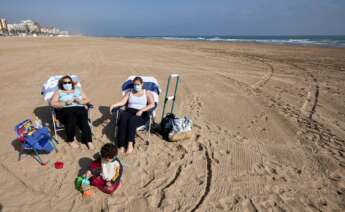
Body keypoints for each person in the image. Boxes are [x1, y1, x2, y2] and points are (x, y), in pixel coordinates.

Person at [110, 76, 155, 154]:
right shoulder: (130, 92)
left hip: (141, 113)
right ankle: (121, 145)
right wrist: (113, 105)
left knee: (132, 121)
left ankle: (130, 144)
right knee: (123, 118)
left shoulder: (147, 93)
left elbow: (152, 104)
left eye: (138, 84)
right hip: (129, 111)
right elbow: (122, 102)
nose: (136, 86)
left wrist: (142, 110)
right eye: (134, 84)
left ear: (142, 84)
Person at [51, 75, 94, 149]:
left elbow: (87, 99)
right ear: (62, 84)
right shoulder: (59, 92)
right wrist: (65, 103)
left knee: (84, 121)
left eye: (69, 82)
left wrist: (80, 101)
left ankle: (88, 141)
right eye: (65, 83)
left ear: (72, 83)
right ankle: (71, 140)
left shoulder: (78, 89)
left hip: (79, 108)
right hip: (65, 110)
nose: (67, 84)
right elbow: (53, 103)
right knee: (71, 119)